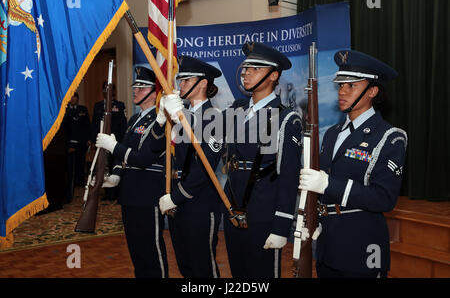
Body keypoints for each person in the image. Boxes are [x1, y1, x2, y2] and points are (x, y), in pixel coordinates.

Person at [299, 50, 408, 278]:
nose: (343, 92)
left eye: (352, 86)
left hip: (362, 244)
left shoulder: (389, 136)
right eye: (341, 85)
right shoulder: (331, 134)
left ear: (372, 91)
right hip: (328, 244)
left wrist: (329, 185)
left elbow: (383, 198)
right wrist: (314, 218)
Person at [222, 42, 303, 277]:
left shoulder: (287, 119)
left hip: (263, 211)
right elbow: (204, 137)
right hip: (233, 207)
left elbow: (288, 176)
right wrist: (176, 115)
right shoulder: (236, 110)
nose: (246, 73)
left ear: (273, 75)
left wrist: (281, 226)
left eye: (255, 68)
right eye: (246, 68)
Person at [153, 56, 224, 278]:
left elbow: (204, 167)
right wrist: (161, 119)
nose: (180, 85)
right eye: (179, 80)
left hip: (200, 202)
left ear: (203, 83)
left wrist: (177, 197)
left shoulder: (217, 118)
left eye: (186, 80)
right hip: (177, 199)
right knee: (184, 265)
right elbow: (155, 148)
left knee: (203, 266)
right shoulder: (178, 114)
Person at [95, 66, 168, 278]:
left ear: (156, 93)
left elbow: (145, 158)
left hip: (148, 193)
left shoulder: (161, 120)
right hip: (129, 193)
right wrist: (117, 173)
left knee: (152, 250)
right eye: (135, 86)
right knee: (137, 251)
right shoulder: (134, 119)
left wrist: (113, 146)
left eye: (142, 87)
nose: (136, 90)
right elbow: (125, 151)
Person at [91, 81, 127, 200]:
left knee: (114, 166)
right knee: (103, 166)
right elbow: (94, 124)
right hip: (101, 142)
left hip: (115, 142)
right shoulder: (98, 105)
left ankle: (115, 193)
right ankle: (107, 193)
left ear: (114, 91)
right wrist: (93, 140)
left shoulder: (120, 105)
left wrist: (121, 142)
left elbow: (123, 125)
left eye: (109, 89)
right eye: (105, 89)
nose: (107, 91)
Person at [62, 92, 91, 203]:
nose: (73, 99)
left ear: (78, 98)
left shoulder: (83, 109)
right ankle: (71, 183)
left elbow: (87, 125)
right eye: (71, 97)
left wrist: (89, 139)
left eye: (75, 97)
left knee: (81, 162)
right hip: (69, 143)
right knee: (70, 165)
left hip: (82, 142)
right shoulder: (65, 110)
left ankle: (79, 181)